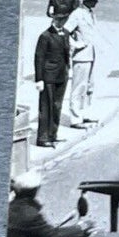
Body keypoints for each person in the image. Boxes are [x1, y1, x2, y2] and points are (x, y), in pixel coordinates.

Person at [33, 11, 72, 147]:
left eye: (64, 19)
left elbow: (67, 53)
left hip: (62, 75)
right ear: (54, 20)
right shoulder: (45, 36)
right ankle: (43, 138)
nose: (62, 22)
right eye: (59, 19)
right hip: (48, 76)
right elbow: (39, 58)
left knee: (57, 106)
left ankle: (53, 134)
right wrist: (39, 79)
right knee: (46, 107)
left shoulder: (66, 33)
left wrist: (68, 69)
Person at [63, 0, 100, 127]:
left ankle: (84, 113)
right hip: (81, 56)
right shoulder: (77, 14)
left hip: (91, 55)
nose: (97, 1)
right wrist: (76, 44)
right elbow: (64, 32)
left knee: (89, 87)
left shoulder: (90, 13)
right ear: (86, 1)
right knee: (78, 87)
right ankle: (75, 118)